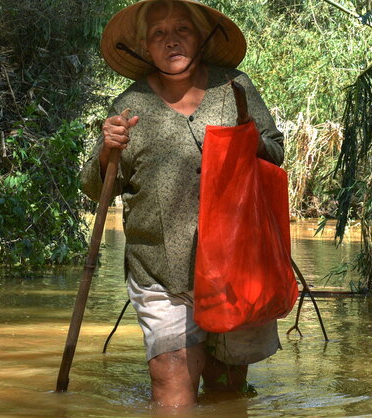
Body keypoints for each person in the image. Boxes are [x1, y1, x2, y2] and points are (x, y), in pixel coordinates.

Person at [80, 0, 285, 409]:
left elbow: (275, 153)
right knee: (172, 392)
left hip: (234, 265)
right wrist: (108, 150)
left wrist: (250, 139)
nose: (171, 40)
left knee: (227, 389)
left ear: (202, 37)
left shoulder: (235, 88)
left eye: (182, 30)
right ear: (144, 46)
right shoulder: (129, 106)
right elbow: (94, 187)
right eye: (158, 33)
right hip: (160, 272)